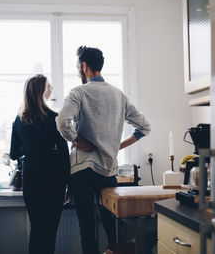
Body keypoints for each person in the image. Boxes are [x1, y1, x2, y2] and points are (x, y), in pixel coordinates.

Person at [56, 46, 151, 254]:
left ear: (84, 66)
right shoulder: (119, 95)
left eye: (78, 67)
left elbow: (63, 121)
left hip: (82, 170)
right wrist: (117, 146)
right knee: (112, 227)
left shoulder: (78, 92)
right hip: (108, 170)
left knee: (87, 227)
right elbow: (145, 127)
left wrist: (77, 140)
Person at [10, 74, 70, 254]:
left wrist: (30, 147)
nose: (51, 89)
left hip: (32, 180)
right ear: (42, 91)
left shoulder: (19, 120)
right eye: (49, 86)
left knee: (36, 230)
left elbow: (14, 153)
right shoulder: (55, 118)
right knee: (50, 232)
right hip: (54, 181)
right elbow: (64, 154)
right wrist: (68, 184)